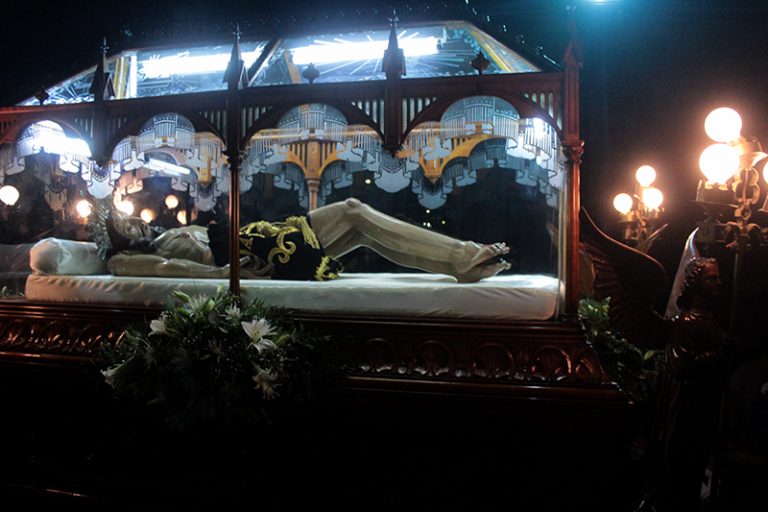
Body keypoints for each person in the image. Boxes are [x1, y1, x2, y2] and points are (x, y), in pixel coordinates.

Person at [105, 198, 511, 283]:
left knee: (361, 229)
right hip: (268, 253)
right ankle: (461, 254)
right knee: (353, 211)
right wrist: (223, 276)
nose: (134, 221)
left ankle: (456, 265)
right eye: (125, 224)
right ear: (118, 239)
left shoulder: (167, 232)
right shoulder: (121, 261)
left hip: (271, 237)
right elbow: (168, 269)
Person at [651, 257, 735, 512]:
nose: (718, 283)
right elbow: (682, 365)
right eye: (711, 278)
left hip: (704, 401)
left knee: (698, 461)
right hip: (686, 405)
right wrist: (718, 354)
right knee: (682, 461)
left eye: (718, 277)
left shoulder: (709, 319)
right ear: (695, 283)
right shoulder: (685, 323)